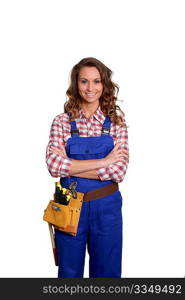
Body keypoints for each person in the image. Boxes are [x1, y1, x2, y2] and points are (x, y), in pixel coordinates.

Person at [46, 57, 129, 278]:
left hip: (107, 207)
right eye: (84, 81)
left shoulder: (117, 122)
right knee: (69, 274)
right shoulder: (62, 121)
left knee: (107, 274)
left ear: (104, 85)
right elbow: (54, 166)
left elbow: (119, 171)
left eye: (96, 81)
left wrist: (71, 166)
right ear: (76, 84)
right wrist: (103, 162)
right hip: (69, 204)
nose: (90, 88)